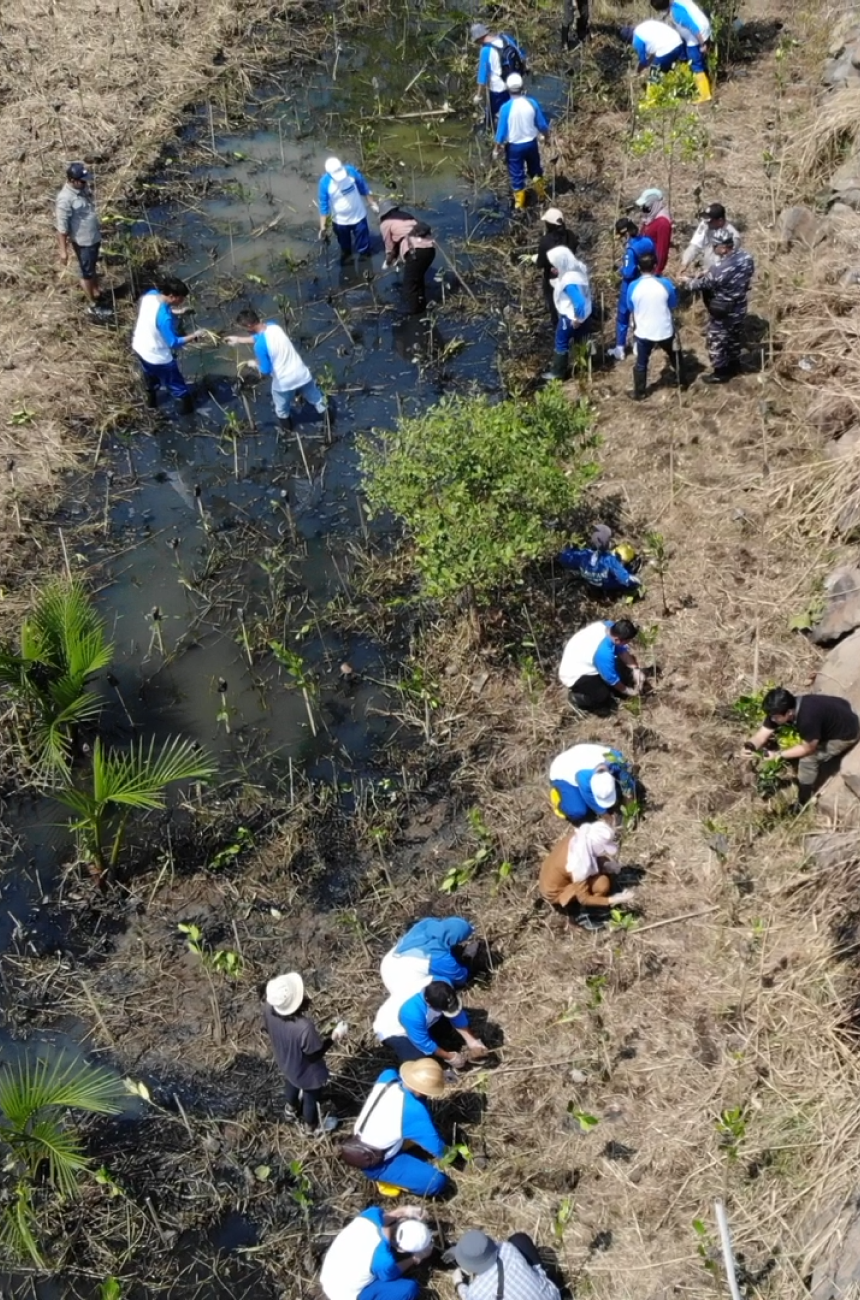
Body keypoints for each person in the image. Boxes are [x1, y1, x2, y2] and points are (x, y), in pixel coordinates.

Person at [743, 686, 860, 807]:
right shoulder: (784, 706)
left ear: (789, 712)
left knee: (807, 759)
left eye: (775, 717)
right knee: (799, 746)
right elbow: (761, 736)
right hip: (841, 710)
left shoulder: (807, 719)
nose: (772, 719)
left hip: (847, 733)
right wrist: (750, 745)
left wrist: (778, 755)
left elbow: (808, 748)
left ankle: (804, 800)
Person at [349, 1059, 450, 1197]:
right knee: (437, 1182)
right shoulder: (415, 1111)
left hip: (362, 1139)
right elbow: (439, 1149)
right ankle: (388, 1180)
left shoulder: (388, 1076)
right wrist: (455, 1154)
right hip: (377, 1162)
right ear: (421, 1091)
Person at [263, 971, 347, 1132]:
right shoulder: (303, 1027)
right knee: (311, 1096)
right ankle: (311, 1126)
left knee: (291, 1081)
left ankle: (291, 1109)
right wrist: (335, 1036)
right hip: (308, 1073)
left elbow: (268, 1029)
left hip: (285, 1061)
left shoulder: (268, 1007)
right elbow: (314, 1055)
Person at [223, 308, 327, 425]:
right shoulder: (274, 326)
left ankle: (288, 431)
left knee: (281, 410)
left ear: (249, 325)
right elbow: (259, 337)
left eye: (244, 328)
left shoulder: (259, 347)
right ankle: (329, 422)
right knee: (318, 399)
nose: (245, 330)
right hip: (302, 374)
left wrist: (253, 364)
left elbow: (266, 370)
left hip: (284, 383)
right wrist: (238, 339)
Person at [682, 231, 754, 383]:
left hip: (723, 309)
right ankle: (735, 365)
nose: (713, 248)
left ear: (723, 248)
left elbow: (700, 284)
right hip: (740, 305)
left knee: (716, 339)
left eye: (715, 245)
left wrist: (687, 281)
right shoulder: (746, 258)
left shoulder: (719, 269)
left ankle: (720, 372)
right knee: (734, 336)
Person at [320, 1207, 433, 1300]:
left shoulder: (371, 1215)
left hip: (330, 1271)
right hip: (342, 1294)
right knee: (409, 1289)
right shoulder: (384, 1261)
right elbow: (391, 1274)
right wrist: (415, 1258)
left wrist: (406, 1210)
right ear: (400, 1249)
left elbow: (388, 1217)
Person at [131, 276, 205, 414]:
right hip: (158, 357)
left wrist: (178, 312)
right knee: (179, 388)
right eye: (181, 298)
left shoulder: (150, 295)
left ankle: (151, 405)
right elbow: (174, 343)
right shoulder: (165, 318)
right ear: (172, 296)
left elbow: (158, 308)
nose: (182, 301)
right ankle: (189, 415)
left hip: (140, 347)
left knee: (151, 380)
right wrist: (194, 335)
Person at [374, 980, 487, 1066]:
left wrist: (472, 1041)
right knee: (420, 1062)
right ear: (430, 1005)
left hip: (424, 1020)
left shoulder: (443, 986)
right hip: (395, 1031)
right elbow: (423, 1042)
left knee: (446, 1029)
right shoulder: (412, 1012)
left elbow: (457, 1015)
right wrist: (449, 1057)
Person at [539, 817, 633, 918]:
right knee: (602, 884)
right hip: (556, 892)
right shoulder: (578, 864)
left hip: (549, 876)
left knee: (603, 862)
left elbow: (593, 855)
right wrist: (614, 899)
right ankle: (592, 910)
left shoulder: (579, 838)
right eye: (603, 848)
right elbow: (584, 899)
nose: (604, 851)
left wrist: (605, 864)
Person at [55, 163, 109, 318]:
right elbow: (62, 228)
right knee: (86, 272)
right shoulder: (65, 199)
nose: (86, 183)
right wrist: (63, 251)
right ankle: (93, 305)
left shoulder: (81, 189)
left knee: (91, 267)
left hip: (93, 237)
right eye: (83, 180)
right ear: (73, 180)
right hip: (83, 241)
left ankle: (97, 291)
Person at [558, 619, 643, 712]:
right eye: (627, 641)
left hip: (584, 658)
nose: (628, 644)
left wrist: (636, 669)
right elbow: (613, 680)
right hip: (574, 674)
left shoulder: (610, 626)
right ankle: (577, 698)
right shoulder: (604, 654)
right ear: (617, 640)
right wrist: (629, 692)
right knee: (602, 695)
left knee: (621, 673)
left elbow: (622, 650)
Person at [448, 1230, 561, 1300]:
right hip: (553, 1298)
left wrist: (458, 1283)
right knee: (519, 1239)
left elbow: (466, 1296)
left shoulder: (476, 1292)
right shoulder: (508, 1249)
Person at [627, 250, 679, 400]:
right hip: (665, 329)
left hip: (643, 331)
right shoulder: (665, 283)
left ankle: (640, 392)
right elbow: (673, 303)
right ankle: (682, 381)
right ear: (655, 266)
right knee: (675, 355)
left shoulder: (633, 286)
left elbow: (631, 307)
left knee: (641, 362)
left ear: (639, 267)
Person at [380, 917, 478, 996]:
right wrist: (468, 961)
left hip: (389, 963)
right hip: (404, 989)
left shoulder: (427, 923)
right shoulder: (441, 957)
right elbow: (460, 978)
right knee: (444, 984)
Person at [493, 74, 549, 210]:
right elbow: (542, 125)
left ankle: (520, 205)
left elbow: (500, 133)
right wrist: (547, 137)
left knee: (517, 175)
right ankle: (541, 195)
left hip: (514, 148)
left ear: (508, 88)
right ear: (522, 87)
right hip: (531, 144)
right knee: (535, 170)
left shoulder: (505, 108)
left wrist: (496, 149)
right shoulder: (532, 103)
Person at [548, 741, 635, 822]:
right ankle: (559, 799)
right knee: (578, 811)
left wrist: (630, 810)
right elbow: (590, 800)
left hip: (580, 756)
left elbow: (627, 784)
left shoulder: (617, 761)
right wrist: (608, 819)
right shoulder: (584, 779)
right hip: (561, 771)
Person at [608, 217, 656, 361]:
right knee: (640, 314)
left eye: (622, 236)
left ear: (626, 234)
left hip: (630, 285)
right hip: (646, 281)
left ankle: (620, 348)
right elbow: (655, 259)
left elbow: (628, 272)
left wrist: (620, 271)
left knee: (623, 316)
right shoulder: (648, 241)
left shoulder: (630, 249)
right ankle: (638, 344)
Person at [542, 245, 592, 381]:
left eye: (555, 265)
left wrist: (577, 319)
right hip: (586, 316)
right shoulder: (579, 270)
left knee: (561, 342)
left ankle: (558, 374)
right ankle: (585, 367)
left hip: (571, 318)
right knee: (582, 342)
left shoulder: (568, 282)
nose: (553, 269)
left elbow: (579, 302)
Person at [378, 200, 436, 315]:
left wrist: (389, 260)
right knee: (418, 279)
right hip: (430, 249)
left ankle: (415, 313)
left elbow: (389, 246)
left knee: (409, 287)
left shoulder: (385, 223)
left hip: (416, 252)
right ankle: (421, 304)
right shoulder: (407, 216)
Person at [650, 0, 712, 101]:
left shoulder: (677, 13)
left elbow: (693, 26)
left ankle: (705, 95)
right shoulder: (675, 4)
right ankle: (707, 85)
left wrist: (702, 44)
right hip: (702, 30)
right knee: (699, 62)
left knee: (696, 65)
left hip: (696, 38)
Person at [318, 157, 377, 262]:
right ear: (329, 173)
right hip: (340, 221)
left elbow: (363, 187)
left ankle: (365, 258)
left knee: (364, 244)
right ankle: (347, 256)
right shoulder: (325, 183)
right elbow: (324, 206)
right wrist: (323, 228)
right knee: (345, 246)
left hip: (358, 216)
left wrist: (372, 203)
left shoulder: (350, 171)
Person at [557, 524, 641, 592]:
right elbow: (626, 579)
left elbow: (564, 558)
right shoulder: (609, 560)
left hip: (591, 581)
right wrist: (636, 581)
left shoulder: (583, 555)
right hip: (609, 585)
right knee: (627, 566)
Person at [471, 24, 525, 124]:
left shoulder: (485, 50)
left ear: (479, 38)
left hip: (498, 89)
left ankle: (493, 133)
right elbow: (521, 54)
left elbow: (482, 76)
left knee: (493, 115)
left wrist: (478, 96)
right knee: (512, 110)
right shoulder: (506, 38)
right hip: (515, 83)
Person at [533, 210, 579, 324]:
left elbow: (540, 264)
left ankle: (558, 326)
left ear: (550, 225)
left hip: (553, 279)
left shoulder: (546, 242)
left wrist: (535, 258)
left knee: (555, 304)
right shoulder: (571, 235)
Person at [680, 202, 742, 270]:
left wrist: (704, 274)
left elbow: (725, 263)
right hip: (708, 270)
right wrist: (685, 263)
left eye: (710, 221)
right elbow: (695, 246)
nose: (706, 223)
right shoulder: (706, 225)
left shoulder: (733, 237)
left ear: (720, 221)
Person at [634, 188, 673, 273]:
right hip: (642, 266)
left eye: (645, 206)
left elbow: (662, 250)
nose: (643, 209)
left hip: (651, 269)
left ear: (652, 205)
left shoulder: (662, 223)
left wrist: (656, 271)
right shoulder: (649, 218)